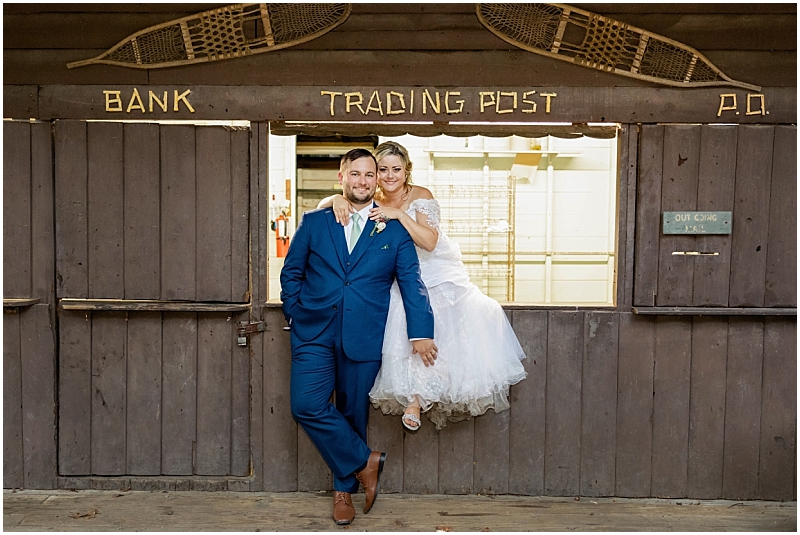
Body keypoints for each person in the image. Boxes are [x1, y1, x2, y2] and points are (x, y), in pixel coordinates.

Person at [320, 141, 527, 431]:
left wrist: (400, 215)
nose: (390, 175)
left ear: (406, 171)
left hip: (434, 270)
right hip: (398, 273)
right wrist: (335, 199)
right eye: (383, 169)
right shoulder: (371, 197)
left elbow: (429, 242)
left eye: (397, 169)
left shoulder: (421, 196)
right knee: (396, 308)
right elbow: (323, 209)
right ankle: (413, 395)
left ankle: (416, 398)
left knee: (427, 310)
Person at [280, 148, 437, 526]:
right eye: (355, 174)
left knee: (353, 414)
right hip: (313, 332)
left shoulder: (394, 229)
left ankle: (342, 492)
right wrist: (296, 311)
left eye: (370, 175)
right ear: (342, 177)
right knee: (305, 405)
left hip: (365, 335)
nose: (363, 181)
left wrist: (421, 332)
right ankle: (366, 461)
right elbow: (292, 273)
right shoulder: (316, 221)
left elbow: (412, 284)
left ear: (376, 180)